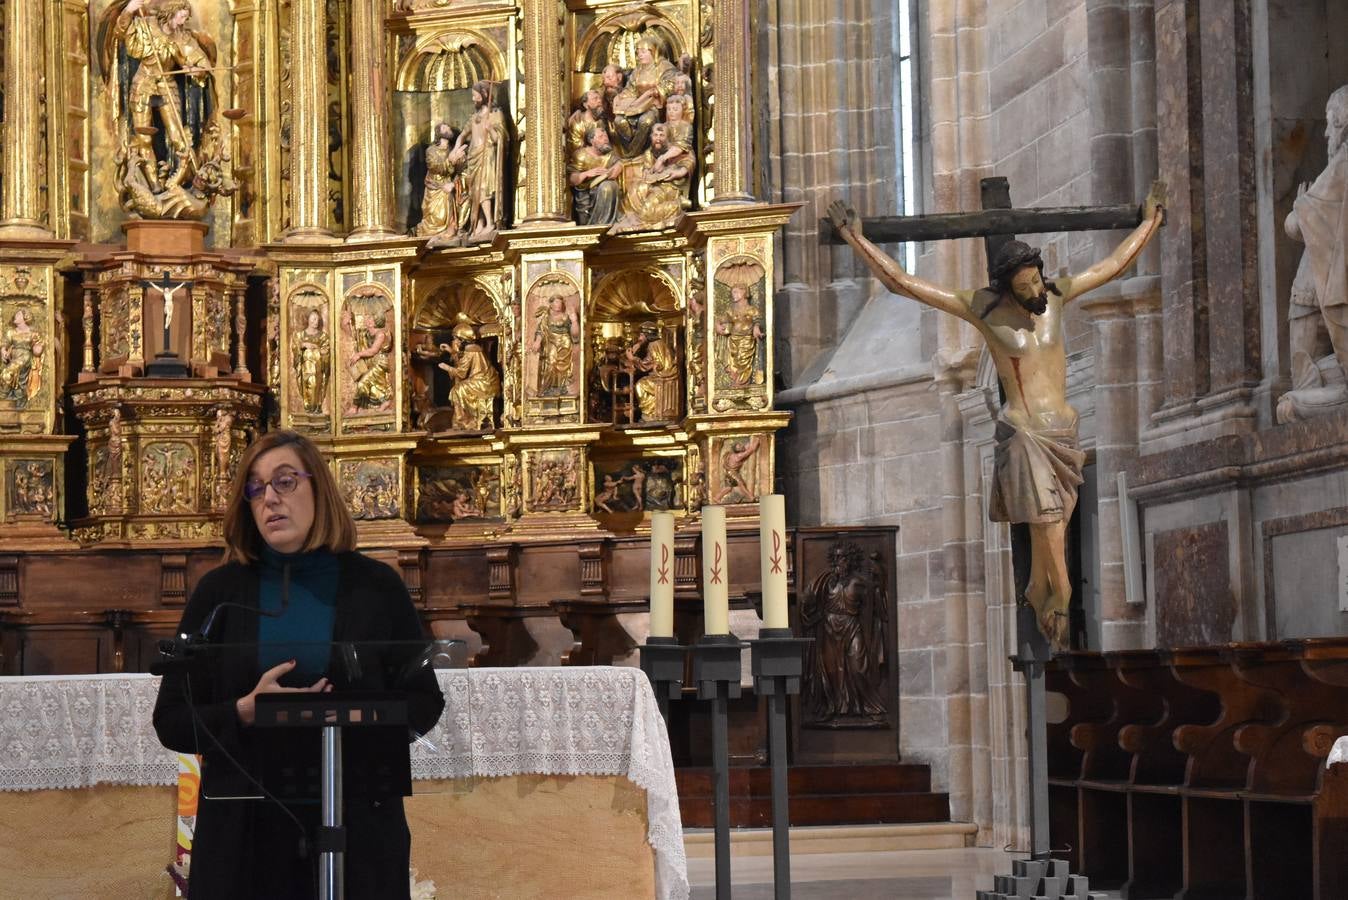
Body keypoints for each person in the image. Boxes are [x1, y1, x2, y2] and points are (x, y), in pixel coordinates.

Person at [828, 184, 1165, 649]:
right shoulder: (983, 310)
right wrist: (856, 239)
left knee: (1055, 522)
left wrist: (1149, 222)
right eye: (1025, 285)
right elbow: (903, 283)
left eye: (1036, 279)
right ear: (1006, 286)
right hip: (1025, 433)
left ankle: (1039, 588)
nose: (1034, 290)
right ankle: (1059, 595)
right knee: (1049, 526)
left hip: (1063, 433)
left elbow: (1112, 266)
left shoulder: (1057, 296)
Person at [153, 430, 445, 899]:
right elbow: (171, 721)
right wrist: (246, 709)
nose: (269, 498)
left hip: (357, 824)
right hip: (244, 836)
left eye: (285, 482)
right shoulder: (218, 595)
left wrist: (348, 716)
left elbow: (425, 701)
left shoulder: (377, 587)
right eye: (256, 487)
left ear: (319, 489)